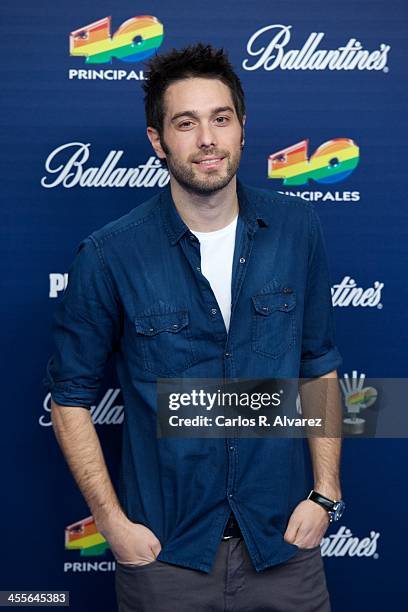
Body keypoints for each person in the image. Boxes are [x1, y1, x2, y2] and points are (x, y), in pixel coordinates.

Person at [45, 43, 345, 612]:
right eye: (186, 123)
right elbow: (70, 397)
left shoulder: (296, 229)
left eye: (220, 119)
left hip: (283, 546)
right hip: (166, 561)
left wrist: (326, 493)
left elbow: (318, 365)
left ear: (241, 128)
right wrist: (112, 525)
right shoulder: (109, 255)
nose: (207, 139)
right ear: (158, 141)